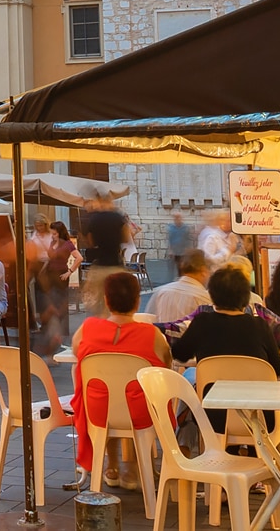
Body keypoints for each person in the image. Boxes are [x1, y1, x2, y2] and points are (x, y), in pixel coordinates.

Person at [71, 271, 170, 489]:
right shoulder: (152, 334)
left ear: (106, 300)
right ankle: (132, 465)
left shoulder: (87, 329)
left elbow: (76, 352)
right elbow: (167, 364)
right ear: (137, 301)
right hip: (139, 415)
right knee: (139, 396)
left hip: (97, 411)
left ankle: (112, 463)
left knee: (107, 395)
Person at [169, 266, 280, 432]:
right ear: (246, 297)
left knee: (191, 382)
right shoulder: (259, 326)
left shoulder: (202, 323)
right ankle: (251, 453)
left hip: (213, 416)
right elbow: (278, 368)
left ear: (213, 296)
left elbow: (179, 354)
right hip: (261, 417)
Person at [80, 193, 130, 313]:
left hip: (99, 267)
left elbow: (90, 242)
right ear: (110, 202)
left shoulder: (94, 219)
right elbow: (126, 238)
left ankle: (98, 327)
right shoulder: (118, 217)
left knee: (96, 305)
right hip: (116, 266)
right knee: (117, 303)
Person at [37, 221, 78, 355]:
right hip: (50, 275)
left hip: (60, 276)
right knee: (51, 303)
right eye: (52, 233)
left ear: (60, 233)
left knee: (58, 303)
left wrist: (69, 272)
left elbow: (79, 258)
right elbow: (50, 256)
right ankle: (54, 332)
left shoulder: (67, 244)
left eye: (54, 233)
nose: (52, 236)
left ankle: (57, 334)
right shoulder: (53, 243)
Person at [147, 250, 213, 324]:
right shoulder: (205, 299)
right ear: (203, 271)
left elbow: (148, 319)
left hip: (162, 334)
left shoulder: (160, 292)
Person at [166, 212, 192, 277]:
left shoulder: (185, 228)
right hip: (175, 250)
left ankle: (181, 277)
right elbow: (170, 239)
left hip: (182, 250)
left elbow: (187, 239)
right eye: (176, 218)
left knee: (181, 266)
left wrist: (188, 249)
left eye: (179, 218)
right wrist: (170, 250)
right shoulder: (171, 228)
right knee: (172, 266)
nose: (177, 219)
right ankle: (173, 279)